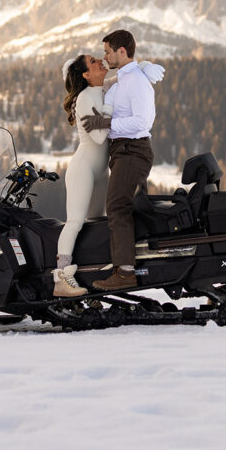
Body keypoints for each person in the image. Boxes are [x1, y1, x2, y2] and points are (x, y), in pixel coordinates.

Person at [53, 50, 164, 298]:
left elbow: (122, 80)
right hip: (84, 169)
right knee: (75, 222)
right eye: (93, 62)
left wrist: (143, 66)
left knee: (96, 226)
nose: (100, 61)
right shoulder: (85, 97)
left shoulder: (99, 90)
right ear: (85, 74)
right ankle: (62, 277)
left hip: (100, 171)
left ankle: (87, 278)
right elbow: (100, 136)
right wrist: (111, 107)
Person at [81, 29, 155, 292]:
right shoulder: (122, 79)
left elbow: (142, 122)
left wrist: (106, 123)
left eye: (108, 51)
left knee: (116, 207)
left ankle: (124, 273)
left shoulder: (135, 81)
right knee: (126, 207)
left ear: (121, 51)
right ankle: (138, 263)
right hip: (123, 152)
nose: (105, 56)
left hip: (133, 151)